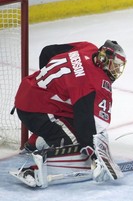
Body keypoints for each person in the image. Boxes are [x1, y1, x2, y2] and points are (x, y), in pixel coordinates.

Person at [10, 40, 127, 188]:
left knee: (74, 112)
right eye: (115, 65)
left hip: (28, 91)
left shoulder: (87, 48)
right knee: (78, 149)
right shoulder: (94, 82)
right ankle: (32, 171)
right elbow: (88, 124)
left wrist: (55, 89)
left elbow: (47, 51)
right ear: (104, 59)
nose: (116, 70)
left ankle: (34, 142)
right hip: (35, 110)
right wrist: (94, 154)